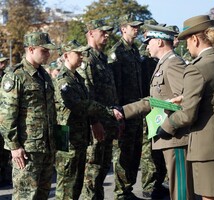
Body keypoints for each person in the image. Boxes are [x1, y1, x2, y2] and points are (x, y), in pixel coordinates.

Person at [157, 15, 214, 200]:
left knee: (210, 197)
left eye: (186, 41)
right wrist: (186, 98)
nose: (186, 47)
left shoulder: (196, 68)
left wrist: (166, 127)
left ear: (195, 39)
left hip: (208, 143)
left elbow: (188, 115)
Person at [117, 24, 194, 200]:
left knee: (181, 189)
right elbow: (157, 101)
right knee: (178, 188)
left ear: (159, 42)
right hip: (170, 137)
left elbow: (185, 101)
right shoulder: (164, 64)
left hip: (176, 137)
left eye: (149, 42)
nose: (147, 46)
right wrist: (124, 110)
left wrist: (168, 126)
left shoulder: (173, 63)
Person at [54, 40, 119, 200]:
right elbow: (80, 105)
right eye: (78, 53)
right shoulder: (64, 80)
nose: (82, 56)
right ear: (66, 55)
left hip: (79, 136)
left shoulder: (76, 78)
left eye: (82, 53)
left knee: (77, 183)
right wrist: (107, 111)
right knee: (66, 185)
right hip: (65, 135)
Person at [0, 32, 57, 199]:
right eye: (44, 50)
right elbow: (6, 115)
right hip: (27, 151)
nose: (48, 54)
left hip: (46, 147)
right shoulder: (16, 76)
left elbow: (51, 111)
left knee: (42, 194)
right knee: (25, 196)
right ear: (31, 49)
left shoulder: (44, 75)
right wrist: (14, 146)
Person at [77, 19, 119, 200]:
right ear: (91, 33)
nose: (107, 35)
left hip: (107, 122)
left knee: (102, 170)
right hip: (96, 125)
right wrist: (94, 122)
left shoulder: (102, 57)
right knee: (92, 173)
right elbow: (87, 95)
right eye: (103, 32)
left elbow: (109, 92)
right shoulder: (86, 58)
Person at [107, 14, 144, 200]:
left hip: (138, 109)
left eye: (137, 26)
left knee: (135, 152)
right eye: (133, 26)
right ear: (123, 29)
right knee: (123, 153)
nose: (136, 29)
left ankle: (128, 189)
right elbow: (115, 86)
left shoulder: (135, 50)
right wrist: (118, 113)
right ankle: (120, 193)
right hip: (125, 110)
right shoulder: (117, 52)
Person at [139, 19, 168, 199]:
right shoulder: (144, 56)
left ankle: (157, 183)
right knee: (149, 150)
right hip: (147, 107)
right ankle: (149, 186)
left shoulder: (157, 57)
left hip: (158, 107)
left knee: (158, 149)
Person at [0, 55, 12, 186]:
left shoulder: (7, 77)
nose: (3, 64)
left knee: (6, 150)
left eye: (4, 62)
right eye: (1, 63)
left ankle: (6, 176)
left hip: (4, 118)